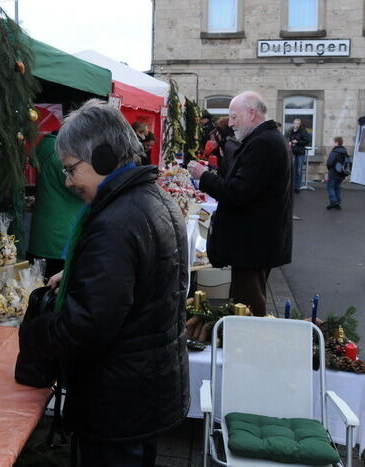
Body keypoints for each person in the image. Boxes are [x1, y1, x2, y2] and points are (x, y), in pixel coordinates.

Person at [20, 99, 189, 467]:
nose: (67, 181)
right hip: (142, 392)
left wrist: (33, 333)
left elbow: (88, 325)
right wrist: (84, 272)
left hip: (118, 402)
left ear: (104, 158)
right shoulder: (151, 199)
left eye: (71, 169)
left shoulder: (116, 222)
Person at [187, 91, 292, 316]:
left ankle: (247, 348)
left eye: (234, 117)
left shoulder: (264, 143)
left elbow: (238, 192)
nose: (231, 123)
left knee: (248, 309)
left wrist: (204, 176)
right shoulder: (265, 139)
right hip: (256, 242)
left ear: (251, 113)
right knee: (245, 304)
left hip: (254, 244)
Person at [28, 130, 85, 279]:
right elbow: (81, 190)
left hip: (43, 236)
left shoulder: (45, 148)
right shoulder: (61, 155)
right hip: (61, 237)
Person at [325, 136, 349, 210]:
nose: (332, 143)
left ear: (337, 143)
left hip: (333, 173)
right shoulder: (344, 151)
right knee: (337, 188)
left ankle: (334, 202)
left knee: (330, 187)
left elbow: (329, 162)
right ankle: (337, 203)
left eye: (333, 142)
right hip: (341, 173)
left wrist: (329, 169)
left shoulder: (335, 151)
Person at [287, 118, 310, 193]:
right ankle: (293, 187)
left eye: (297, 123)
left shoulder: (303, 131)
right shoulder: (292, 131)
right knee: (293, 170)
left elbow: (306, 141)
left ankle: (297, 187)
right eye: (295, 123)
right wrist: (290, 142)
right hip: (293, 152)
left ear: (300, 124)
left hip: (300, 153)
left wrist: (297, 141)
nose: (296, 125)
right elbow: (290, 138)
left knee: (299, 171)